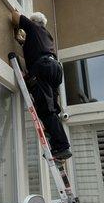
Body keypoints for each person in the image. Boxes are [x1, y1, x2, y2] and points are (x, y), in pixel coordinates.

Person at [11, 10, 72, 160]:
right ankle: (57, 144)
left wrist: (17, 22)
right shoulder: (46, 35)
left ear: (33, 21)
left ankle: (62, 146)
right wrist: (21, 41)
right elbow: (32, 45)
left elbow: (14, 15)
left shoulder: (32, 26)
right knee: (52, 109)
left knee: (45, 110)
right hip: (55, 68)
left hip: (42, 67)